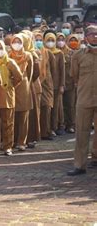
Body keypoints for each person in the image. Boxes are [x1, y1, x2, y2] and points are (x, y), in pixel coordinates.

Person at [68, 25, 97, 176]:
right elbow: (75, 76)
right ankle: (80, 165)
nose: (95, 37)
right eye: (91, 34)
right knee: (81, 132)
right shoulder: (78, 55)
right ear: (86, 37)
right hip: (84, 98)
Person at [0, 40, 23, 156]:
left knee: (8, 123)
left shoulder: (10, 63)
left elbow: (19, 77)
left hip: (7, 96)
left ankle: (7, 146)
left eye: (0, 48)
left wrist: (10, 85)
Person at [9, 34, 34, 151]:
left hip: (24, 87)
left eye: (19, 41)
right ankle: (12, 141)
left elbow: (31, 74)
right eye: (15, 41)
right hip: (12, 86)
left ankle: (21, 142)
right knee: (12, 115)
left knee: (23, 115)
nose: (17, 44)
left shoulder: (28, 56)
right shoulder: (8, 55)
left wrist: (25, 84)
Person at [44, 31, 65, 136]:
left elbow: (62, 70)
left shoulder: (59, 53)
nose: (50, 43)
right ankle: (47, 128)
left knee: (56, 108)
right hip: (46, 85)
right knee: (48, 108)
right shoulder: (43, 52)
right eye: (48, 40)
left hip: (56, 85)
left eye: (52, 40)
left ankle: (54, 127)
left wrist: (62, 85)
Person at [62, 34, 79, 133]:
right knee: (63, 105)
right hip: (63, 82)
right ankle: (64, 123)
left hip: (74, 82)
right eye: (71, 40)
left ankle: (72, 124)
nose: (73, 42)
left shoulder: (79, 53)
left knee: (72, 105)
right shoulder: (63, 52)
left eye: (75, 40)